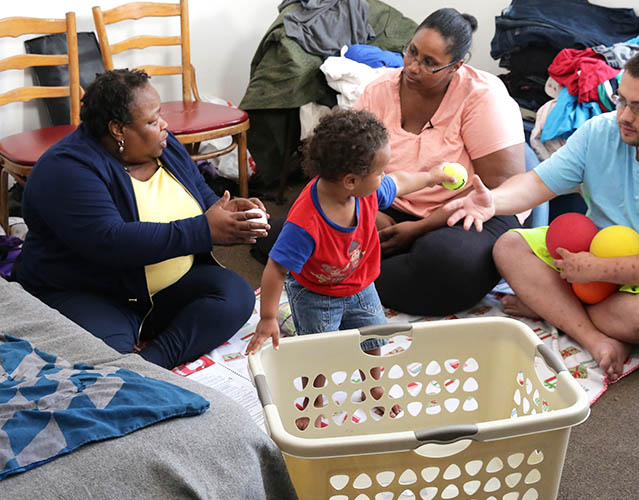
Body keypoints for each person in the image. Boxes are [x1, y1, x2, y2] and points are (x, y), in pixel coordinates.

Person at [444, 45, 639, 381]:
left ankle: (555, 308)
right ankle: (595, 337)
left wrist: (596, 270)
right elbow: (537, 184)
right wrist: (492, 201)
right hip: (595, 253)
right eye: (621, 100)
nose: (624, 116)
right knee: (510, 247)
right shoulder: (600, 130)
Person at [13, 69, 270, 369]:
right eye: (151, 121)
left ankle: (152, 362)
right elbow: (111, 242)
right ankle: (131, 365)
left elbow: (200, 194)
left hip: (158, 293)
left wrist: (228, 212)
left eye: (159, 115)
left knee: (236, 295)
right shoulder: (66, 169)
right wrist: (204, 230)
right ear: (117, 129)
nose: (164, 125)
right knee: (102, 357)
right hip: (95, 293)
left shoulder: (161, 144)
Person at [355, 8, 527, 316]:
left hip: (475, 210)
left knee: (448, 264)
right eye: (412, 52)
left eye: (429, 63)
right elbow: (349, 163)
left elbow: (498, 189)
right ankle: (369, 269)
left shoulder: (482, 97)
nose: (413, 67)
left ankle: (349, 274)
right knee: (306, 219)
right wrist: (369, 210)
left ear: (456, 66)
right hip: (388, 201)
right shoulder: (378, 90)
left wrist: (418, 228)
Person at [246, 108, 454, 356]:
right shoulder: (304, 224)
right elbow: (277, 268)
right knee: (319, 353)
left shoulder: (368, 192)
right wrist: (267, 317)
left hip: (360, 285)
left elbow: (400, 182)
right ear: (351, 181)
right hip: (316, 294)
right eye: (379, 172)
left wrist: (432, 177)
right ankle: (316, 395)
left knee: (375, 338)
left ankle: (373, 386)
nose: (384, 175)